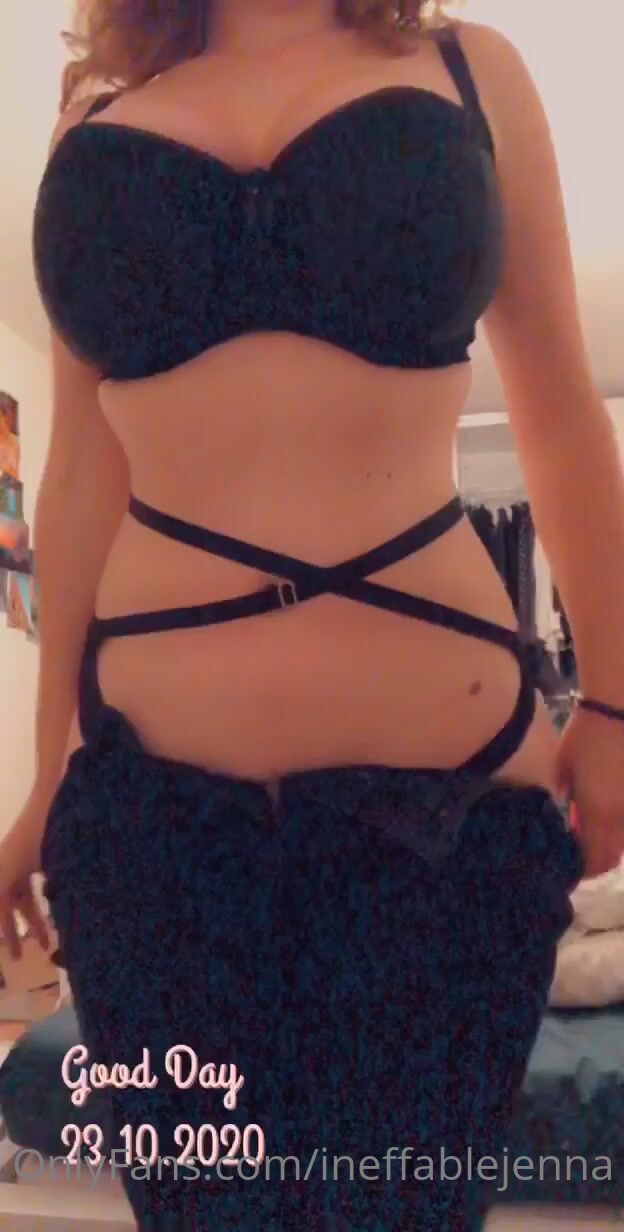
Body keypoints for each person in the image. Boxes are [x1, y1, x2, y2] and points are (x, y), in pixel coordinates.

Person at [1, 0, 622, 1226]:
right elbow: (78, 475)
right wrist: (44, 779)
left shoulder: (467, 71)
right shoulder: (94, 124)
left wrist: (613, 700)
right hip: (146, 837)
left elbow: (559, 413)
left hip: (448, 818)